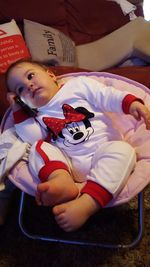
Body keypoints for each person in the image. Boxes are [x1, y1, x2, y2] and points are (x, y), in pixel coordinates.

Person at [5, 59, 150, 232]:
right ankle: (60, 181)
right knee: (37, 148)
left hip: (103, 151)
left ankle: (88, 204)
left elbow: (107, 95)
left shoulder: (77, 86)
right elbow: (31, 137)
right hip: (68, 164)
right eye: (20, 89)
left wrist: (131, 104)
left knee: (124, 151)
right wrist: (17, 110)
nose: (28, 85)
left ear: (51, 75)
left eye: (30, 76)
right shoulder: (36, 115)